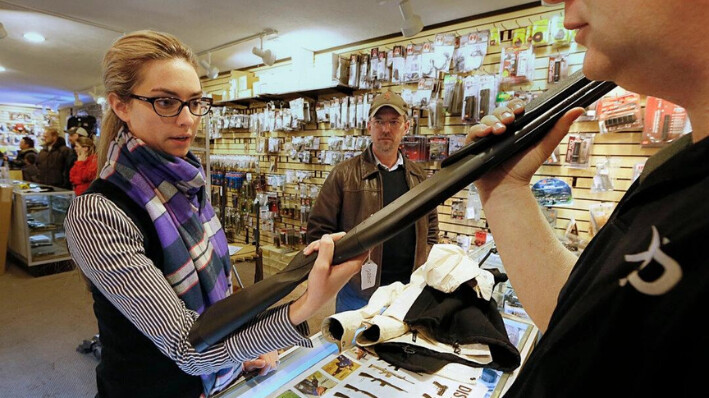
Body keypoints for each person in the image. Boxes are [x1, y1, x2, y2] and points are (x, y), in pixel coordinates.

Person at [64, 30, 365, 398]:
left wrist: (242, 353)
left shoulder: (188, 183)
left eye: (194, 102)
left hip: (215, 384)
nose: (188, 119)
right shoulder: (97, 214)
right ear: (121, 105)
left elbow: (218, 299)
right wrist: (306, 305)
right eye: (165, 102)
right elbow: (187, 346)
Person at [307, 91, 439, 312]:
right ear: (369, 127)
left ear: (406, 127)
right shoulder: (343, 174)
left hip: (407, 291)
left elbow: (431, 228)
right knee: (352, 346)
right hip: (358, 294)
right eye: (379, 122)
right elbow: (319, 232)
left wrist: (423, 267)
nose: (386, 129)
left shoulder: (419, 176)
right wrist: (344, 273)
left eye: (394, 122)